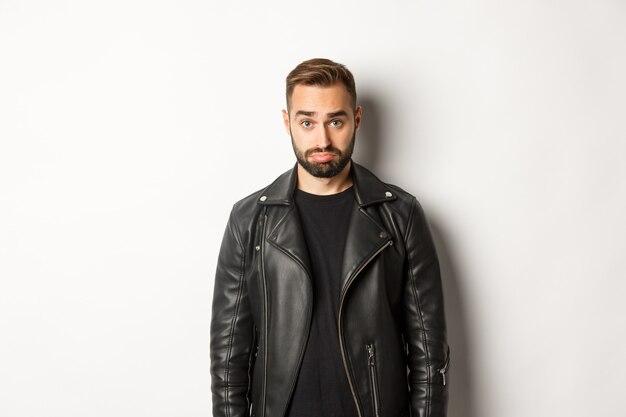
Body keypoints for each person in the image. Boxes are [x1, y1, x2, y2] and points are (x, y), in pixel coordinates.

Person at [210, 58, 449, 417]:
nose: (322, 139)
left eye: (335, 121)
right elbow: (229, 360)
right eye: (307, 122)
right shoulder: (249, 221)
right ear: (287, 123)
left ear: (356, 119)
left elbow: (429, 355)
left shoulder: (401, 215)